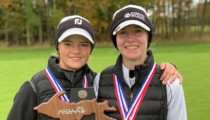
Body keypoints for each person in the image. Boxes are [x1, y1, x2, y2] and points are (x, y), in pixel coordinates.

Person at [7, 15, 182, 120]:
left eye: (83, 44)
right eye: (68, 44)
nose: (76, 51)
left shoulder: (97, 82)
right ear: (57, 47)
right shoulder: (33, 88)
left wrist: (167, 68)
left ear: (91, 48)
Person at [96, 4, 187, 120]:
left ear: (148, 37)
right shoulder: (100, 80)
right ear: (116, 40)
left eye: (138, 31)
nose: (130, 39)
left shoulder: (170, 82)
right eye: (123, 32)